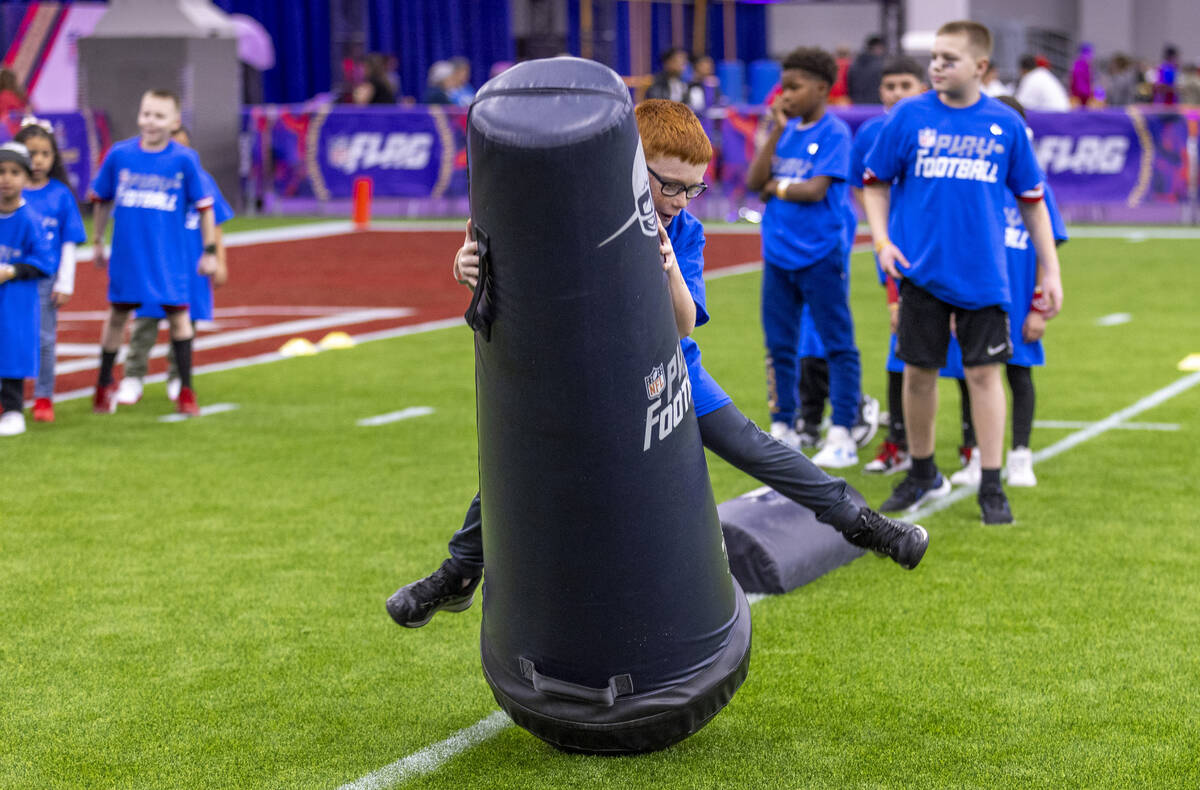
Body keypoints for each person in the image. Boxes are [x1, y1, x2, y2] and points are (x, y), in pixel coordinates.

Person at [385, 99, 930, 629]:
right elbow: (500, 260)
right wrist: (467, 265)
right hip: (584, 373)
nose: (680, 199)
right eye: (667, 183)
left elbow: (683, 324)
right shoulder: (575, 210)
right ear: (625, 163)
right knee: (516, 461)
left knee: (753, 447)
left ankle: (865, 526)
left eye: (693, 188)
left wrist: (666, 265)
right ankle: (459, 574)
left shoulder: (685, 230)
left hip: (666, 367)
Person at [861, 20, 1064, 524]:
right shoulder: (908, 117)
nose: (936, 66)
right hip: (921, 273)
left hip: (984, 276)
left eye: (948, 59)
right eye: (934, 56)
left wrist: (1051, 274)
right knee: (919, 374)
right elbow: (874, 182)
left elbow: (1034, 204)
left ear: (980, 67)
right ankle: (921, 471)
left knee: (983, 375)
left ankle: (991, 485)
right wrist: (882, 240)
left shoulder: (1005, 123)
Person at [746, 47, 866, 469]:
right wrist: (775, 135)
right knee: (780, 343)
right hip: (777, 255)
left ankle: (843, 430)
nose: (785, 96)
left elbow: (814, 190)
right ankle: (783, 426)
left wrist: (776, 189)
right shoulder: (787, 132)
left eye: (794, 88)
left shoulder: (835, 133)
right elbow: (753, 181)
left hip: (819, 255)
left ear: (822, 88)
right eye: (783, 87)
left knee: (838, 343)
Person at [947, 95, 1069, 489]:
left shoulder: (1033, 187)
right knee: (971, 376)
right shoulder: (972, 185)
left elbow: (1046, 251)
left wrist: (1037, 306)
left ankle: (1020, 454)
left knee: (1019, 373)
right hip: (975, 299)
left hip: (1018, 301)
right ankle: (977, 453)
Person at [89, 89, 217, 417]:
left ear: (174, 122)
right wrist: (98, 241)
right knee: (117, 316)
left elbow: (205, 208)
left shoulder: (185, 159)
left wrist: (210, 250)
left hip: (169, 259)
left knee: (179, 318)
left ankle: (185, 388)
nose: (151, 121)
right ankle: (104, 384)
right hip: (128, 256)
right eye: (146, 113)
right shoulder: (119, 155)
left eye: (159, 116)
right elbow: (101, 200)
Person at [846, 56, 926, 475]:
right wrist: (885, 227)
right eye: (890, 85)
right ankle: (899, 441)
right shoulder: (871, 133)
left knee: (962, 353)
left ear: (922, 88)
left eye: (905, 85)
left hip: (935, 250)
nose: (896, 93)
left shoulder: (935, 128)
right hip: (895, 253)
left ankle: (971, 447)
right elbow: (863, 186)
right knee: (901, 346)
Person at [119, 126, 233, 406]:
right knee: (145, 320)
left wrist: (219, 259)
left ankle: (177, 376)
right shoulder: (147, 179)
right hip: (155, 264)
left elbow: (215, 224)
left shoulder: (203, 181)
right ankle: (133, 376)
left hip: (190, 267)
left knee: (185, 322)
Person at [15, 118, 86, 424]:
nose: (39, 160)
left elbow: (70, 241)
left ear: (54, 157)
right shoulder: (10, 192)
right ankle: (10, 398)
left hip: (45, 281)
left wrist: (66, 281)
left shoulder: (60, 195)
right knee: (9, 337)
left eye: (45, 153)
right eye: (32, 153)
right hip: (11, 279)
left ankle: (43, 396)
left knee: (44, 339)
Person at [0, 142, 54, 437]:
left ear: (25, 178)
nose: (5, 178)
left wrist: (11, 271)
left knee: (10, 351)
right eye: (0, 172)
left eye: (13, 172)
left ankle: (12, 410)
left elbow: (45, 261)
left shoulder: (30, 219)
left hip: (15, 301)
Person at [846, 35, 886, 105]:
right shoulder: (883, 65)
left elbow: (849, 86)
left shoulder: (854, 65)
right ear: (879, 48)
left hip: (857, 106)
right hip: (876, 106)